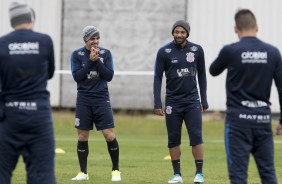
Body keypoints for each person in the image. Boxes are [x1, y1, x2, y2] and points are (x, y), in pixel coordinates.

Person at [210, 9, 282, 184]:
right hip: (263, 121)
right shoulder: (273, 53)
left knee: (238, 176)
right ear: (257, 27)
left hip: (237, 123)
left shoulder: (230, 51)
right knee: (268, 174)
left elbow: (213, 70)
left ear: (236, 29)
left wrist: (224, 53)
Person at [0, 2, 56, 184]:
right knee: (43, 174)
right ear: (31, 19)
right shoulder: (45, 41)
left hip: (9, 115)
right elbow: (49, 73)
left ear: (12, 22)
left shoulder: (2, 44)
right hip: (39, 116)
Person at [154, 20, 208, 184]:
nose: (179, 35)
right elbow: (157, 77)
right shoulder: (164, 51)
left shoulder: (197, 50)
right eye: (176, 32)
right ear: (173, 33)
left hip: (192, 101)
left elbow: (202, 75)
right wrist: (157, 102)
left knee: (196, 137)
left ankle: (199, 174)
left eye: (182, 32)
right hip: (173, 102)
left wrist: (203, 99)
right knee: (173, 138)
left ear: (187, 33)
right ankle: (177, 174)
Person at [70, 25, 121, 182]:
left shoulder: (106, 54)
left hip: (101, 98)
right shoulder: (77, 54)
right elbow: (77, 77)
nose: (96, 41)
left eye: (97, 38)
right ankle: (83, 172)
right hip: (84, 99)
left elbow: (109, 75)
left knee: (109, 134)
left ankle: (115, 170)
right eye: (92, 38)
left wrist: (97, 61)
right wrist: (89, 62)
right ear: (86, 39)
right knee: (83, 136)